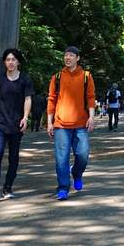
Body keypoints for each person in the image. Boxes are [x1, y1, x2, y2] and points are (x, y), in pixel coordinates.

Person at [47, 45, 96, 201]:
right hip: (61, 125)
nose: (67, 58)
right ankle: (63, 188)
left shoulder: (86, 76)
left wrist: (92, 117)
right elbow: (51, 100)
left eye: (71, 55)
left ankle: (76, 173)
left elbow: (91, 97)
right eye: (65, 55)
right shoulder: (57, 77)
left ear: (77, 58)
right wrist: (49, 122)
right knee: (61, 158)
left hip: (81, 123)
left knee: (83, 154)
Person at [0, 48, 35, 202]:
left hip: (16, 124)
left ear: (18, 62)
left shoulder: (25, 79)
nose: (10, 62)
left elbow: (28, 99)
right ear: (4, 62)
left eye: (13, 59)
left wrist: (25, 118)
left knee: (13, 157)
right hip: (0, 123)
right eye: (8, 59)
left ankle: (8, 186)